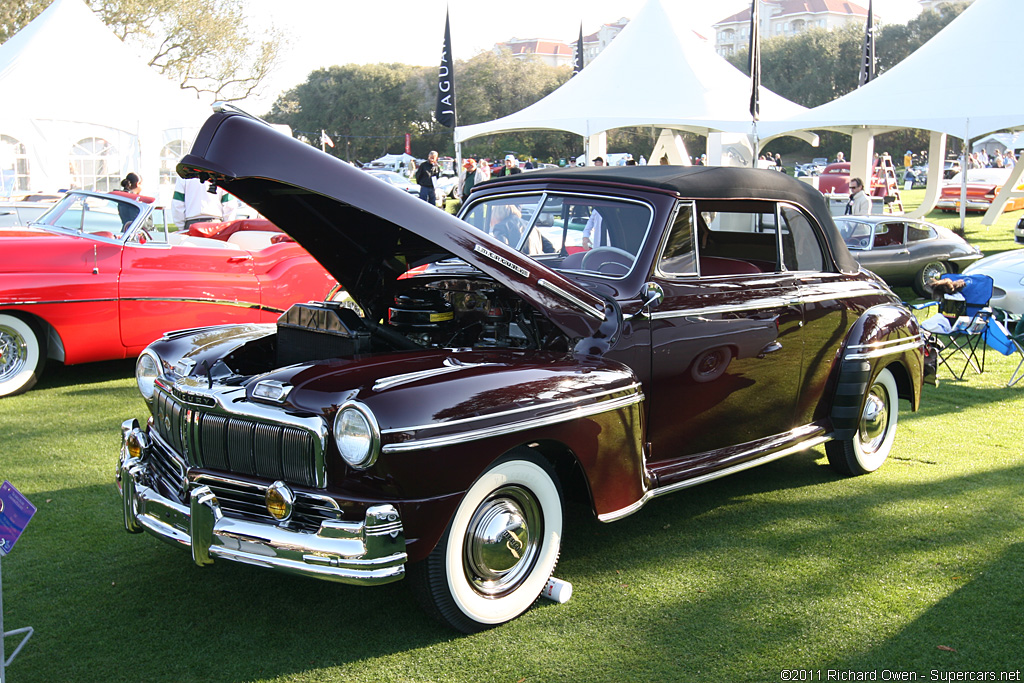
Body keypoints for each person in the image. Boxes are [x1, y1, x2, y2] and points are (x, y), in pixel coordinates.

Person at [171, 176, 237, 228]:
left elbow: (177, 204)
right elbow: (229, 205)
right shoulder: (221, 174)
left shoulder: (184, 176)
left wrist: (181, 227)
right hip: (215, 224)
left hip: (191, 224)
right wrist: (226, 226)